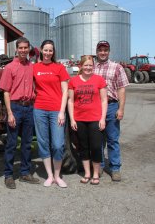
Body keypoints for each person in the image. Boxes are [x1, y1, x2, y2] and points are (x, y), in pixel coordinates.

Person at [0, 37, 40, 189]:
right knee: (11, 143)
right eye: (20, 48)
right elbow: (6, 92)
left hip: (29, 107)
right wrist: (9, 113)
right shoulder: (10, 68)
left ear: (29, 49)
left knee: (27, 143)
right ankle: (9, 175)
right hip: (15, 107)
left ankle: (25, 172)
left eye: (25, 48)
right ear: (16, 49)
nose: (23, 50)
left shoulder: (32, 66)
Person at [32, 40, 70, 188]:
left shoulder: (59, 68)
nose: (48, 53)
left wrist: (62, 112)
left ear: (53, 52)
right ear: (41, 50)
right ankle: (49, 176)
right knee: (42, 143)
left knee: (58, 144)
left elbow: (65, 91)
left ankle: (57, 175)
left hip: (56, 110)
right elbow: (32, 87)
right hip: (40, 109)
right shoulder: (35, 68)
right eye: (45, 50)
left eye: (50, 50)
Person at [67, 55, 107, 185]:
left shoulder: (99, 80)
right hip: (79, 119)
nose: (88, 68)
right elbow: (71, 101)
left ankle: (95, 174)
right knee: (83, 147)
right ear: (81, 66)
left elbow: (104, 100)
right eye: (86, 65)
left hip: (95, 119)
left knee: (95, 147)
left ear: (93, 66)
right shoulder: (73, 81)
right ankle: (87, 173)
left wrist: (103, 118)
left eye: (90, 65)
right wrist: (72, 119)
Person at [94, 40, 129, 181]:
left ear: (109, 52)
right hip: (95, 107)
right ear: (97, 51)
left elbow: (121, 89)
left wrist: (121, 108)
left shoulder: (117, 67)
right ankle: (100, 165)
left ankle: (115, 168)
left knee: (113, 139)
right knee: (98, 139)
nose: (103, 52)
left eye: (105, 50)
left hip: (111, 105)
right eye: (100, 50)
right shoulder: (92, 67)